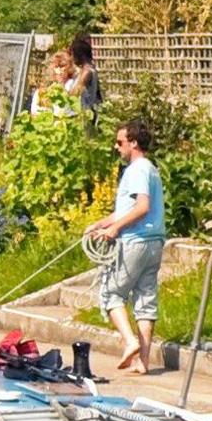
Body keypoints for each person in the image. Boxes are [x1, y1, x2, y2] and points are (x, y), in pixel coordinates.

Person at [91, 117, 166, 373]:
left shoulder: (137, 170)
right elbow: (127, 209)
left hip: (135, 242)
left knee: (111, 293)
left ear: (133, 143)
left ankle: (130, 341)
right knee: (145, 299)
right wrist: (102, 224)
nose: (116, 147)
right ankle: (143, 362)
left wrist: (116, 229)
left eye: (120, 142)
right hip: (154, 243)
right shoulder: (151, 169)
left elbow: (142, 207)